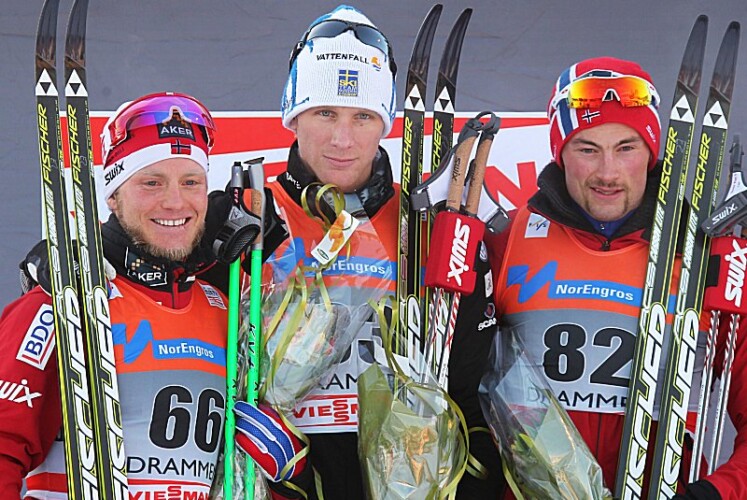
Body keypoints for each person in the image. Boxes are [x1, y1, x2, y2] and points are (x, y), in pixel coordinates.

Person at [223, 5, 504, 499]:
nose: (342, 139)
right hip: (287, 482)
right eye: (324, 112)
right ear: (293, 116)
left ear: (385, 124)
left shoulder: (425, 225)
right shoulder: (250, 216)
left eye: (362, 117)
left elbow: (467, 386)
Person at [485, 56, 747, 499]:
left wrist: (714, 493)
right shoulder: (505, 242)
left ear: (652, 154)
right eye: (587, 149)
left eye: (626, 148)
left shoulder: (708, 260)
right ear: (560, 153)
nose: (607, 173)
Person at [0, 92, 241, 498]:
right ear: (113, 195)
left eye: (191, 182)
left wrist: (290, 470)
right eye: (151, 182)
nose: (175, 201)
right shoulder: (65, 300)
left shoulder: (224, 310)